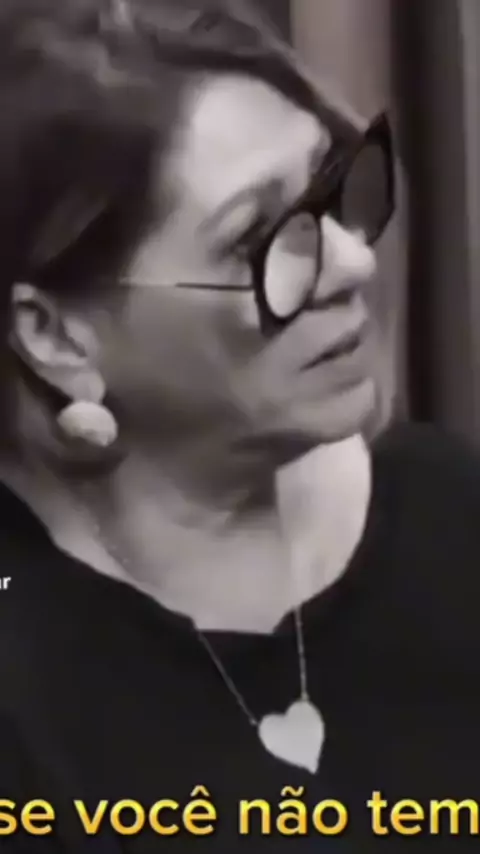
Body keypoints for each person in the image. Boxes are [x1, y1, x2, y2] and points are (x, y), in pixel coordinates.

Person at [0, 0, 480, 851]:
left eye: (335, 187)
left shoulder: (452, 509)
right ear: (57, 338)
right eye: (257, 239)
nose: (352, 262)